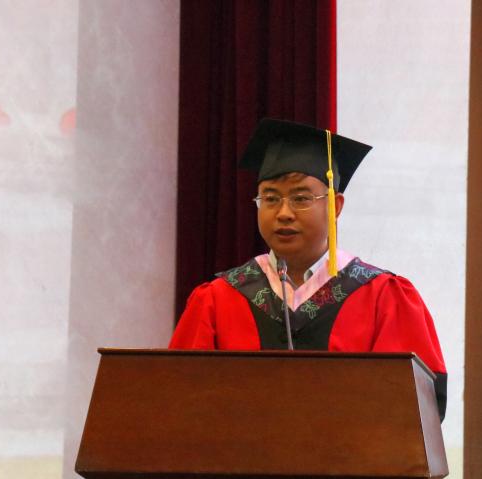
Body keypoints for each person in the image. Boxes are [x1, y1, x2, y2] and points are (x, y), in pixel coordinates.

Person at [170, 118, 447, 419]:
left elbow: (410, 412)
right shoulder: (217, 299)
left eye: (301, 198)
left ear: (335, 206)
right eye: (270, 198)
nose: (284, 213)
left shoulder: (383, 297)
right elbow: (180, 399)